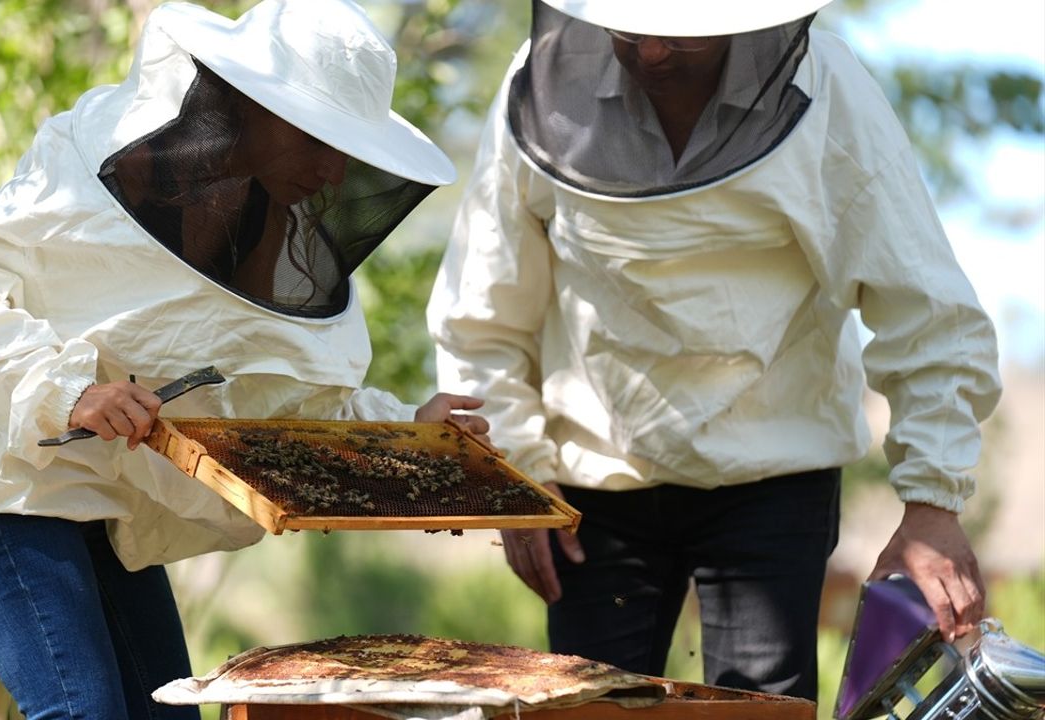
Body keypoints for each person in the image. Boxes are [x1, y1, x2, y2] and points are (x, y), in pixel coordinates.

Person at [0, 1, 489, 717]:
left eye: (347, 148)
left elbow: (298, 402)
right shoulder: (94, 165)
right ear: (254, 106)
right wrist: (64, 390)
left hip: (105, 501)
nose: (333, 168)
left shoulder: (275, 231)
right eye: (319, 138)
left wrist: (412, 432)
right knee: (81, 711)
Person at [426, 0, 1001, 702]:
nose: (654, 52)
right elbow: (484, 309)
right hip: (592, 489)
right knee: (585, 715)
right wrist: (513, 469)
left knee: (761, 712)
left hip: (773, 478)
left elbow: (924, 304)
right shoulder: (539, 84)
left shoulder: (829, 92)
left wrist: (933, 502)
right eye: (630, 29)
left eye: (680, 34)